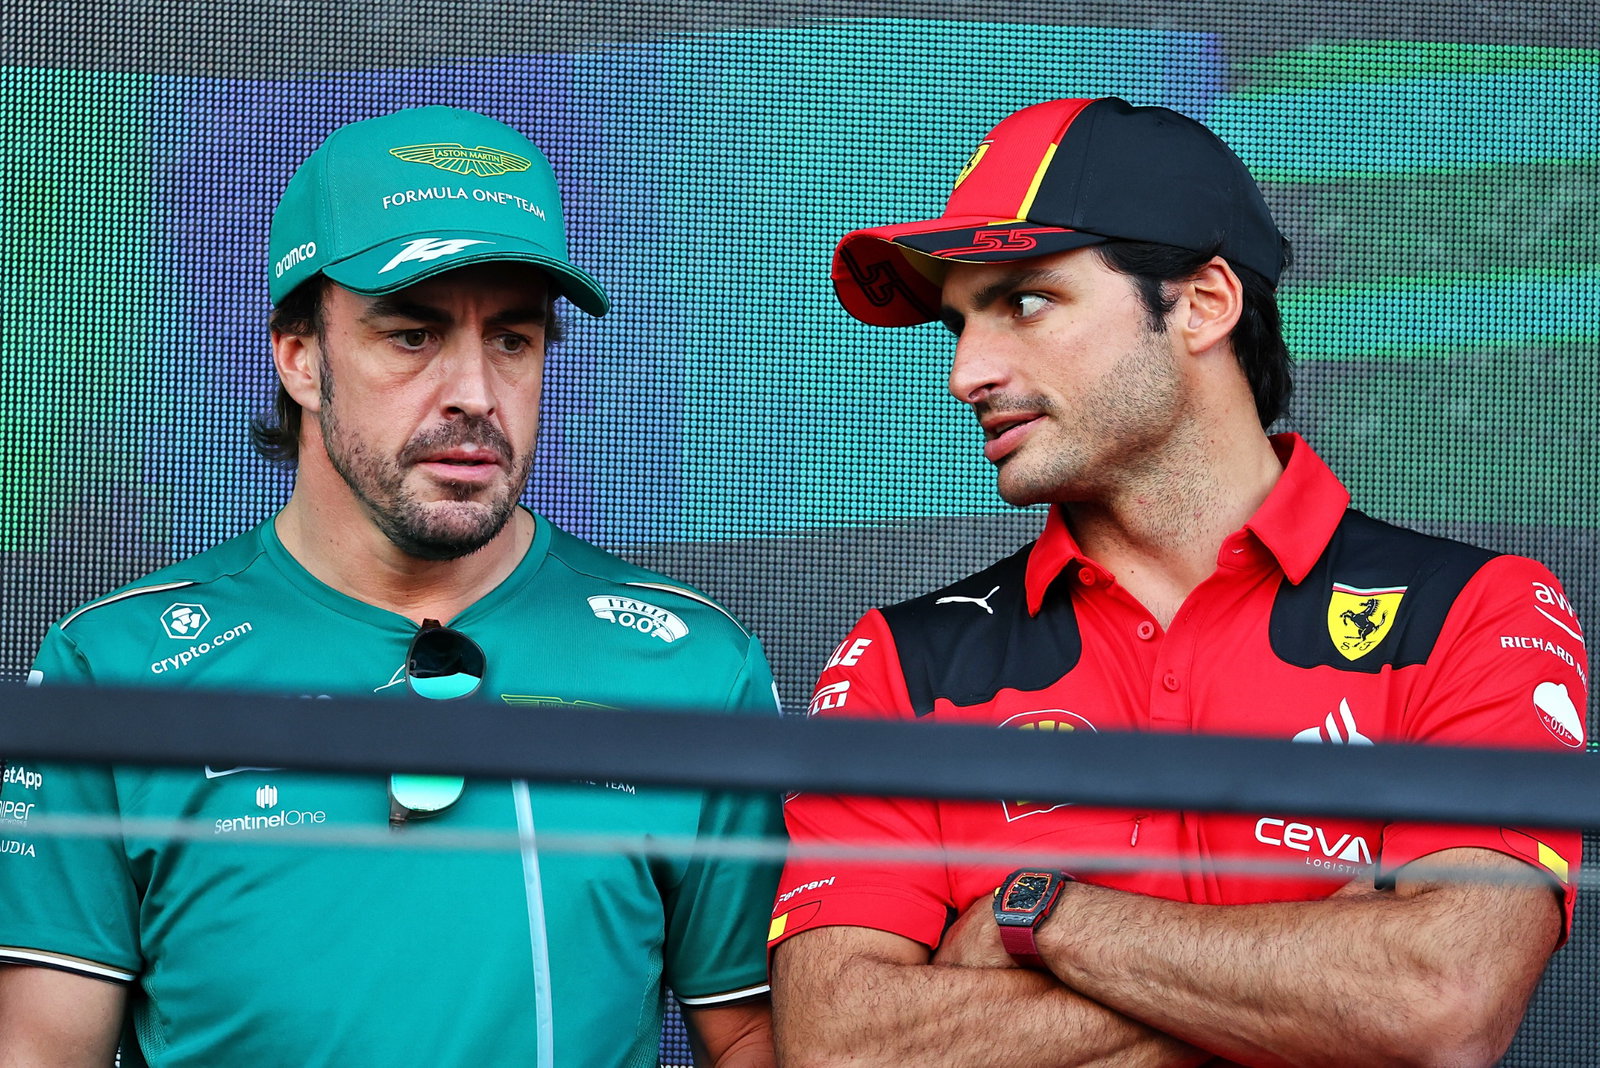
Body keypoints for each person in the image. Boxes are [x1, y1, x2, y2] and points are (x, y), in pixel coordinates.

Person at [768, 97, 1586, 1066]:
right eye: (957, 324)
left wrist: (1040, 916)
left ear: (1203, 303)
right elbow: (839, 1047)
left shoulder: (1474, 611)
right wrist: (1309, 985)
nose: (967, 373)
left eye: (1025, 302)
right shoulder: (901, 663)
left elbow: (1440, 1002)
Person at [0, 106, 781, 1067]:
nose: (475, 394)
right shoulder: (111, 667)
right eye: (413, 335)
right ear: (299, 356)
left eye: (513, 339)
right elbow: (40, 1052)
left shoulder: (692, 664)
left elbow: (749, 1037)